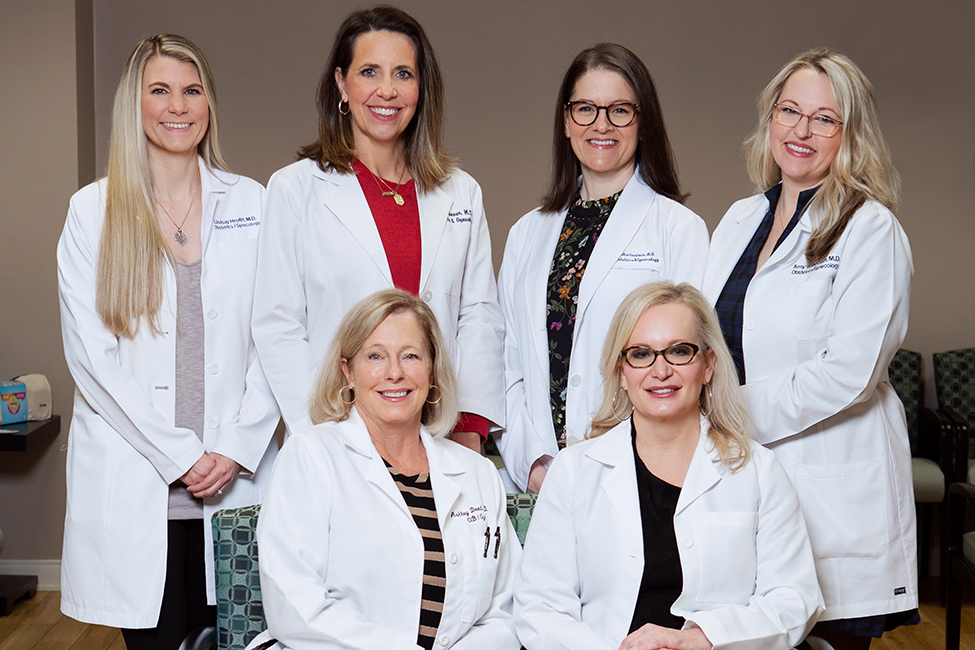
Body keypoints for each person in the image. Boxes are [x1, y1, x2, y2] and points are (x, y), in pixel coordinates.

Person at [57, 34, 279, 648]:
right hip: (142, 485)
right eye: (160, 90)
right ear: (135, 103)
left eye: (192, 90)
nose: (178, 106)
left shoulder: (254, 203)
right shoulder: (92, 212)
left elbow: (279, 336)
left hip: (234, 481)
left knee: (240, 638)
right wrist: (181, 456)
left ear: (209, 103)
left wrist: (235, 447)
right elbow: (92, 359)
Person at [703, 48, 915, 649]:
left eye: (824, 118)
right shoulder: (741, 217)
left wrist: (725, 414)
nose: (801, 130)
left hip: (831, 486)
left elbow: (850, 372)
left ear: (851, 135)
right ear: (770, 117)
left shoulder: (871, 228)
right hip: (743, 474)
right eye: (789, 110)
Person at [514, 282, 823, 650]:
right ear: (621, 372)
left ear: (708, 366)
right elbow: (540, 608)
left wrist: (700, 639)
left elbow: (793, 599)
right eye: (641, 354)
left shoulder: (759, 471)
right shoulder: (574, 471)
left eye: (679, 351)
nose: (660, 371)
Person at [252, 6, 502, 452]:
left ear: (421, 89)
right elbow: (278, 325)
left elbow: (479, 316)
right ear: (341, 84)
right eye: (369, 72)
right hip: (339, 433)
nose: (387, 90)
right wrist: (324, 434)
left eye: (403, 74)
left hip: (440, 435)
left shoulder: (461, 192)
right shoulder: (295, 189)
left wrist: (469, 427)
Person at [247, 288, 520, 650]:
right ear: (348, 372)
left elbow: (507, 610)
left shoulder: (477, 473)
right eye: (375, 356)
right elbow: (295, 606)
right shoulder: (309, 456)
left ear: (432, 370)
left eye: (411, 356)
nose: (394, 373)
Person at [497, 43, 709, 493]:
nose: (601, 125)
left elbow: (686, 365)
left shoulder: (677, 229)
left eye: (619, 111)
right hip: (541, 476)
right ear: (566, 121)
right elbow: (507, 363)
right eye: (586, 109)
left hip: (638, 474)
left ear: (642, 122)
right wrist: (532, 464)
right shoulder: (526, 233)